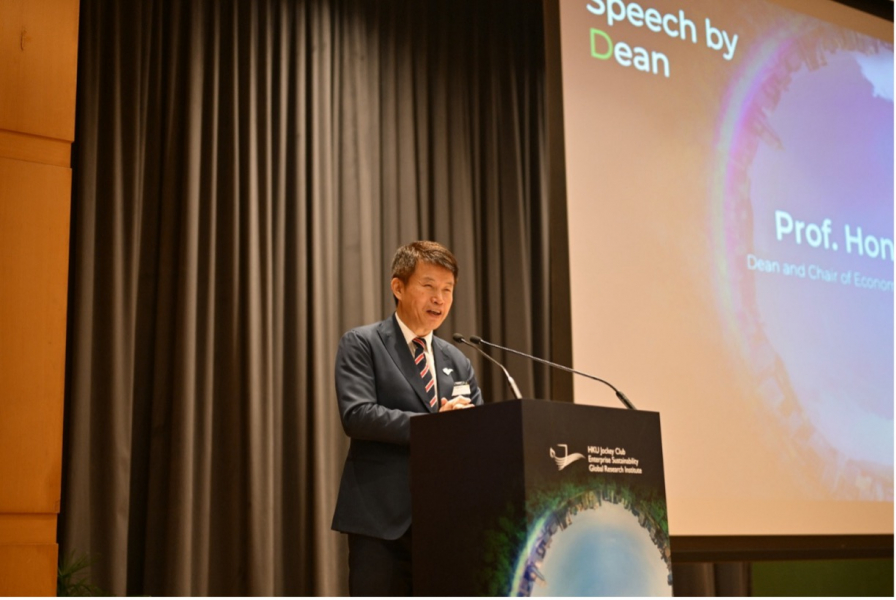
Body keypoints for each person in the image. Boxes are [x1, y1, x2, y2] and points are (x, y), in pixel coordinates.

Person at [331, 240, 483, 596]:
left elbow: (478, 430)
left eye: (447, 289)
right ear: (398, 287)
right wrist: (434, 428)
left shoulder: (458, 359)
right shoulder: (363, 343)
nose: (439, 299)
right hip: (382, 522)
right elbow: (358, 414)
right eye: (429, 286)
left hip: (444, 522)